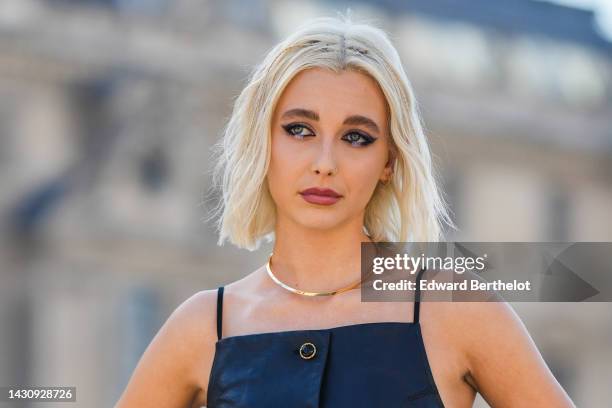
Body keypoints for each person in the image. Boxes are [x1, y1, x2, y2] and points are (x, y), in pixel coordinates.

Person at [115, 16, 576, 408]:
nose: (325, 163)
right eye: (299, 129)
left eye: (357, 137)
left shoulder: (454, 309)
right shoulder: (204, 325)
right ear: (263, 144)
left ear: (389, 161)